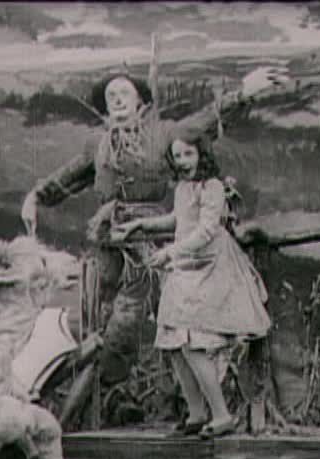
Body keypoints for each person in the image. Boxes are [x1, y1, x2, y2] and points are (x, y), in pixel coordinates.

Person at [20, 73, 258, 386]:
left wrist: (243, 94)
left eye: (124, 93)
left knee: (138, 318)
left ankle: (169, 391)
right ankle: (102, 392)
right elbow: (69, 176)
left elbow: (201, 123)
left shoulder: (163, 134)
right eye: (111, 96)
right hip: (107, 240)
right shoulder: (99, 144)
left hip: (150, 242)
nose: (117, 99)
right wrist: (35, 197)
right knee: (88, 316)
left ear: (140, 100)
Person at [114, 129, 271, 438]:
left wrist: (170, 252)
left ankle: (222, 415)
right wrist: (141, 224)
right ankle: (197, 413)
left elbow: (206, 231)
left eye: (189, 153)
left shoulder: (212, 187)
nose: (183, 160)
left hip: (211, 267)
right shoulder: (184, 188)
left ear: (202, 155)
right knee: (174, 342)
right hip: (186, 267)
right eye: (177, 155)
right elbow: (179, 219)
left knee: (193, 342)